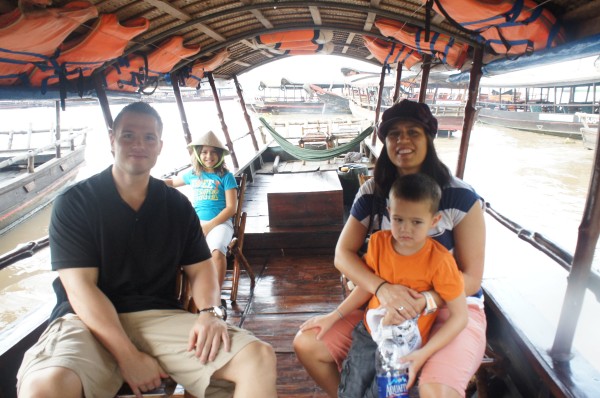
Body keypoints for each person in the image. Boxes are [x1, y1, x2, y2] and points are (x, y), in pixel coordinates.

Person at [16, 102, 277, 398]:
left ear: (160, 146)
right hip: (85, 319)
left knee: (258, 357)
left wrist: (209, 312)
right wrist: (128, 356)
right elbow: (79, 289)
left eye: (149, 138)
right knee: (43, 387)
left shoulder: (176, 206)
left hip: (156, 316)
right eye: (128, 135)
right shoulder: (76, 202)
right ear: (112, 139)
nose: (139, 144)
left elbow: (201, 267)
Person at [293, 99, 486, 398]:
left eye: (413, 132)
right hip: (384, 308)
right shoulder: (373, 191)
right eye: (394, 134)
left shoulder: (461, 197)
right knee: (308, 342)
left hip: (451, 307)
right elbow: (342, 254)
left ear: (429, 139)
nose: (403, 141)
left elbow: (472, 277)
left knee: (437, 391)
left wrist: (424, 301)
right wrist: (382, 289)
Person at [165, 130, 237, 287]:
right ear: (198, 154)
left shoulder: (226, 176)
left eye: (213, 152)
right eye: (204, 152)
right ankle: (184, 292)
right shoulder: (193, 174)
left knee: (217, 251)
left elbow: (232, 208)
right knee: (173, 250)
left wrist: (209, 225)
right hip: (195, 223)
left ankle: (215, 298)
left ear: (219, 155)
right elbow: (172, 182)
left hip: (220, 223)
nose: (209, 156)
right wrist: (145, 179)